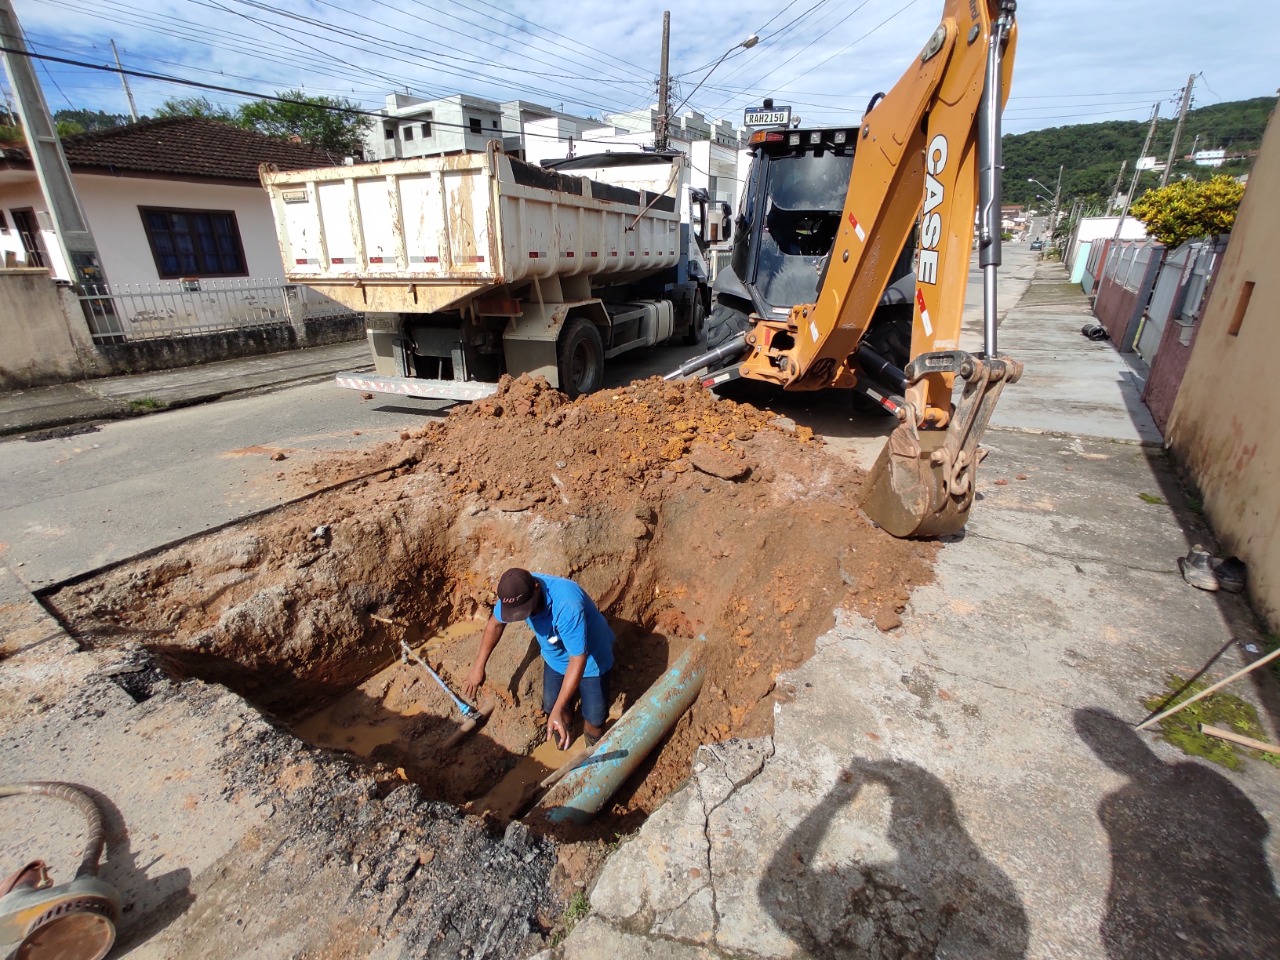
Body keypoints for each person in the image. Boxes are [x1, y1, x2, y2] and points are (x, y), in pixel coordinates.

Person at [462, 568, 615, 750]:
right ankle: (566, 737)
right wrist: (478, 667)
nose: (524, 615)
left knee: (595, 718)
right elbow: (495, 625)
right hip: (556, 656)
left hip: (591, 657)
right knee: (551, 705)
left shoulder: (566, 604)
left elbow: (578, 659)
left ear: (536, 588)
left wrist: (559, 707)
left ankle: (594, 752)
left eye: (525, 609)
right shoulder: (514, 593)